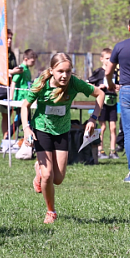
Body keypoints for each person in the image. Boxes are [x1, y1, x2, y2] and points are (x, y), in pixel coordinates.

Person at [22, 53, 104, 223]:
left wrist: (93, 118)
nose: (64, 75)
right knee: (47, 176)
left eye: (68, 71)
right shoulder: (41, 83)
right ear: (52, 71)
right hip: (42, 129)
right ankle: (50, 211)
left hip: (62, 131)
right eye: (60, 71)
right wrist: (26, 128)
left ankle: (39, 169)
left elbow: (100, 94)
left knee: (58, 179)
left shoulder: (74, 83)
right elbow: (25, 105)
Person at [105, 15, 130, 183]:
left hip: (128, 91)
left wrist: (111, 84)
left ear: (128, 28)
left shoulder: (120, 46)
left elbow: (107, 71)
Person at [89, 48, 119, 160]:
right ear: (102, 59)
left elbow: (119, 84)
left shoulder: (115, 72)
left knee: (113, 127)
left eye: (111, 58)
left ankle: (113, 151)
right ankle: (100, 150)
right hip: (102, 103)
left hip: (112, 101)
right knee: (103, 127)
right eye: (107, 58)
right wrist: (97, 87)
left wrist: (117, 87)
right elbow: (88, 83)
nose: (109, 60)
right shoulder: (98, 72)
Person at [11, 49, 37, 131]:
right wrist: (11, 98)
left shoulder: (27, 69)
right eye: (32, 61)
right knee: (20, 120)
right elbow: (13, 83)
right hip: (20, 99)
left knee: (27, 120)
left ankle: (28, 138)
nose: (34, 63)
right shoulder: (21, 69)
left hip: (27, 98)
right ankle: (7, 137)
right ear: (26, 59)